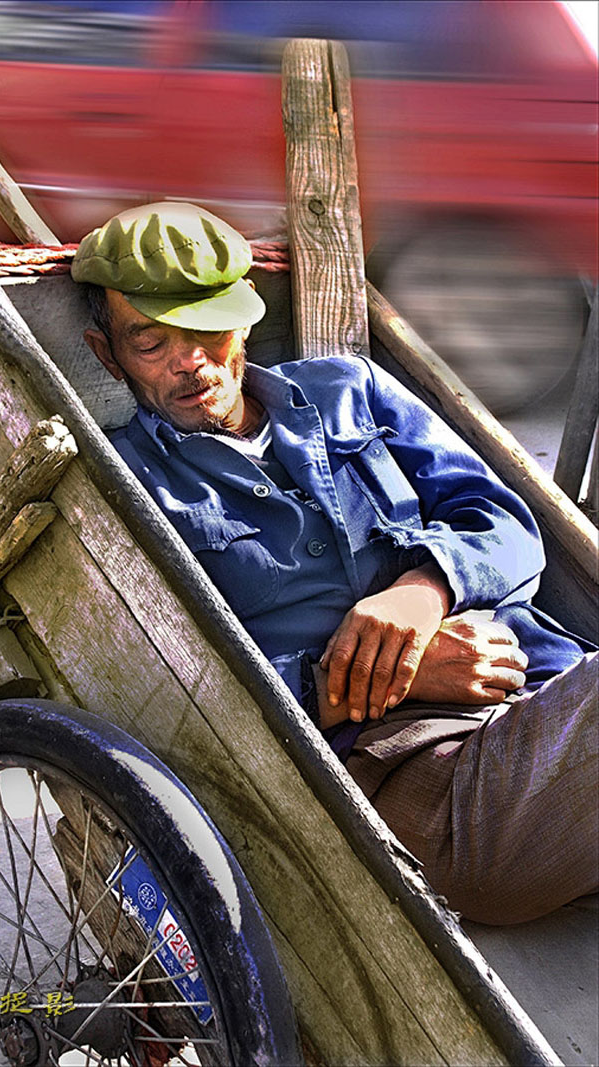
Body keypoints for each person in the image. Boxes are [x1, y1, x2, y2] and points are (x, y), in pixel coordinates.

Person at [72, 201, 598, 925]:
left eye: (206, 329)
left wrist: (425, 589)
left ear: (245, 319)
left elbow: (504, 523)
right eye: (150, 342)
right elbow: (171, 695)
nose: (188, 362)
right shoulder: (125, 482)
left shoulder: (348, 389)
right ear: (109, 355)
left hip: (545, 693)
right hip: (414, 773)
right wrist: (385, 673)